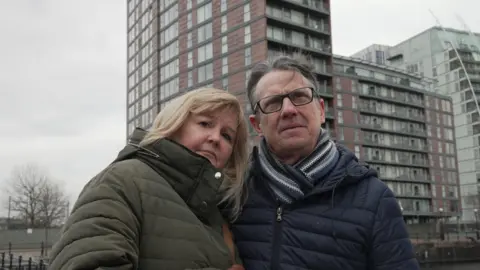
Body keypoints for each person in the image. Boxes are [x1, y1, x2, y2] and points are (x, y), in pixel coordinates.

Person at [228, 54, 420, 270]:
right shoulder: (235, 195)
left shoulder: (375, 200)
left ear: (320, 111)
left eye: (300, 97)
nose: (289, 110)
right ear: (257, 125)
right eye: (273, 103)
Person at [49, 88, 248, 270]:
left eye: (227, 136)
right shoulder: (122, 181)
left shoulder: (218, 215)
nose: (215, 138)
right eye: (205, 124)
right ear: (175, 124)